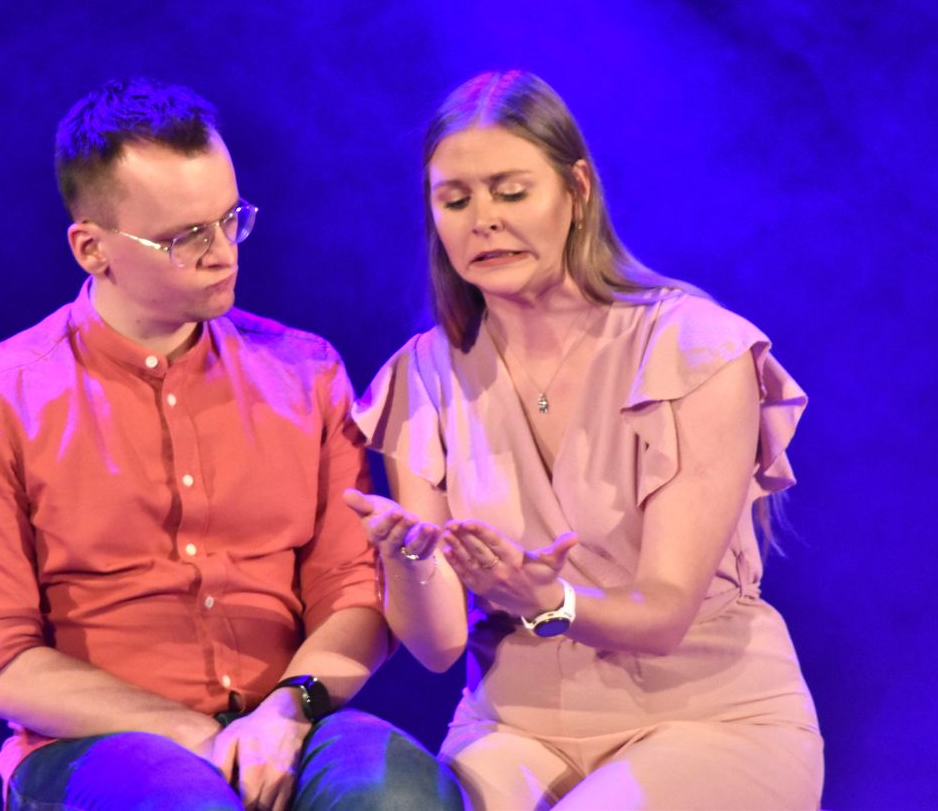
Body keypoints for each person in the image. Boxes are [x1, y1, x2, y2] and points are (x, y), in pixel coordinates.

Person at [0, 78, 465, 810]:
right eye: (187, 238)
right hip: (95, 746)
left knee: (400, 799)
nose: (223, 253)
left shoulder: (306, 371)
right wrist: (192, 733)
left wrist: (286, 709)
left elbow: (352, 590)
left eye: (231, 220)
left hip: (286, 719)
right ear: (92, 249)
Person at [345, 71, 823, 809]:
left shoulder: (695, 347)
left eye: (511, 192)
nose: (483, 221)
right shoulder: (421, 377)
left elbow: (664, 613)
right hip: (514, 725)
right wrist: (407, 558)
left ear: (577, 191)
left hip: (707, 716)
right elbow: (438, 647)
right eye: (456, 200)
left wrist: (553, 599)